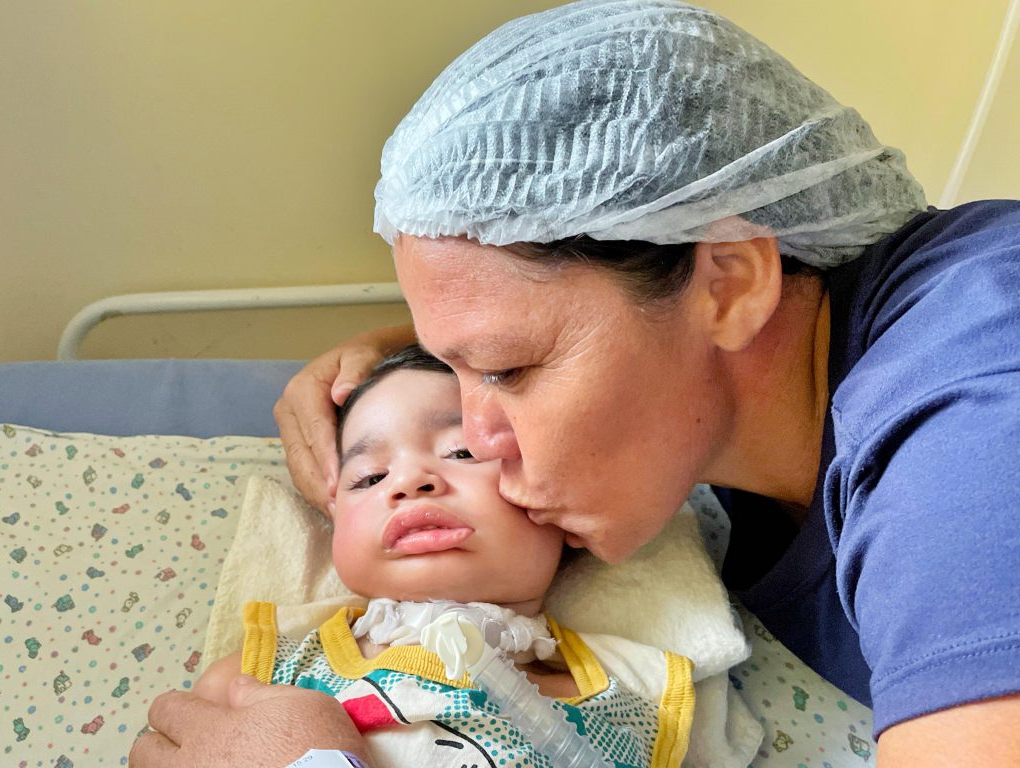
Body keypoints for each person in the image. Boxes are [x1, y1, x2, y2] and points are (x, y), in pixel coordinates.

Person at [132, 1, 1020, 765]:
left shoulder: (974, 441)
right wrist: (405, 360)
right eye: (458, 372)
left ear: (735, 281)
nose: (478, 440)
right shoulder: (770, 362)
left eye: (507, 370)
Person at [187, 346, 696, 768]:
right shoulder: (259, 681)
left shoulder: (633, 705)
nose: (410, 481)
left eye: (462, 452)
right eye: (369, 477)